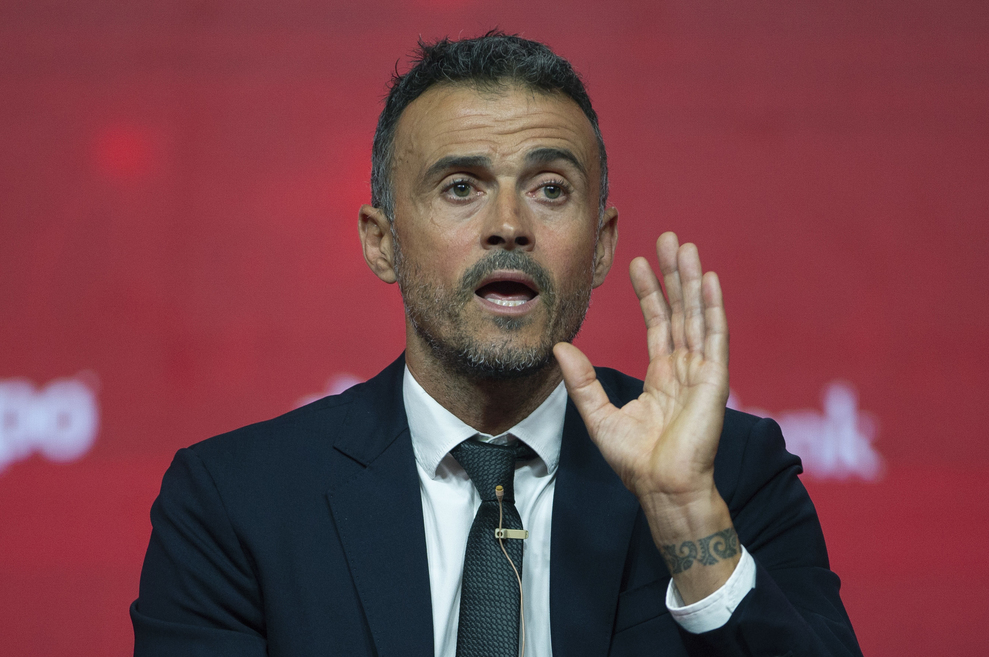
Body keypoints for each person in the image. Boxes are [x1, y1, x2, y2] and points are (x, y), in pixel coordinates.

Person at [131, 32, 862, 657]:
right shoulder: (236, 502)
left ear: (602, 246)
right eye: (460, 187)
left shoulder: (730, 475)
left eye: (550, 189)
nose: (509, 225)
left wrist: (684, 513)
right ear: (382, 242)